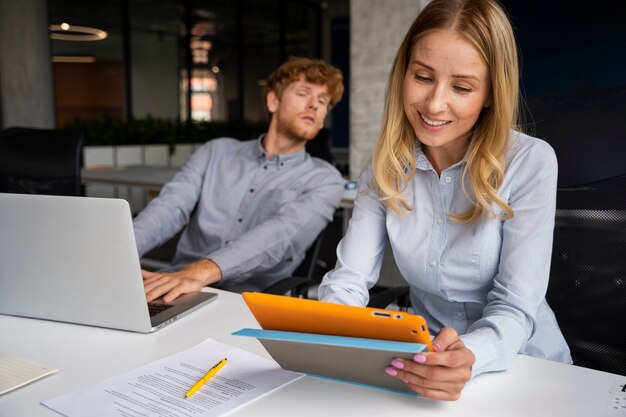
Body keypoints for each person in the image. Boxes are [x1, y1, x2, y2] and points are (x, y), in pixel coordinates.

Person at [317, 0, 571, 401]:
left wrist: (469, 354)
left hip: (521, 367)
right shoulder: (384, 166)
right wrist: (335, 331)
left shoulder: (530, 161)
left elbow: (515, 307)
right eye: (422, 77)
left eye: (462, 87)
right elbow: (348, 280)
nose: (434, 105)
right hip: (423, 367)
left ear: (490, 94)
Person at [134, 57, 345, 302]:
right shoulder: (216, 152)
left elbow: (280, 235)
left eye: (323, 101)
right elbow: (171, 207)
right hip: (176, 288)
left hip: (251, 302)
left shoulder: (325, 179)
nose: (314, 106)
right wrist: (120, 251)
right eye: (303, 93)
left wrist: (199, 272)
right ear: (273, 100)